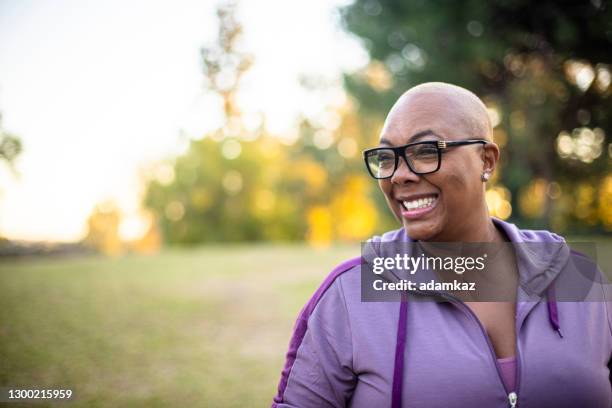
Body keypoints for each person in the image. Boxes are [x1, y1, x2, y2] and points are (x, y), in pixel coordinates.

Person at [271, 82, 612, 407]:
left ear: (487, 160)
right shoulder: (349, 293)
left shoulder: (580, 279)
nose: (398, 174)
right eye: (387, 157)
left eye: (425, 151)